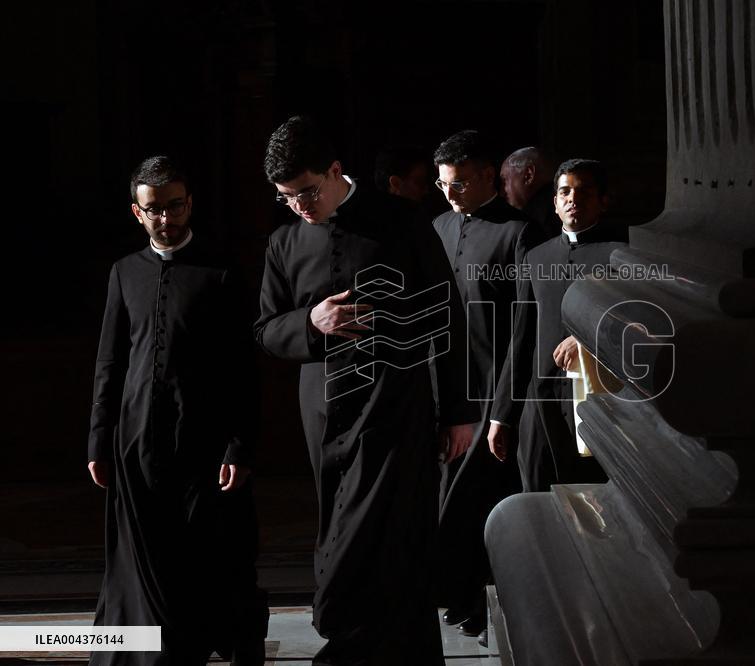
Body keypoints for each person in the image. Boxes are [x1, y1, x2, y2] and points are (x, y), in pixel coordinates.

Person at [255, 116, 478, 665]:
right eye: (286, 198)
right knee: (341, 525)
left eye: (307, 191)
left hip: (395, 405)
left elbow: (447, 315)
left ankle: (355, 646)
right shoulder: (284, 241)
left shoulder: (400, 221)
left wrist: (458, 412)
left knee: (391, 536)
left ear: (335, 171)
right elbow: (265, 330)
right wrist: (313, 320)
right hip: (323, 415)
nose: (300, 206)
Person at [88, 156, 268, 665]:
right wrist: (98, 439)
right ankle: (147, 650)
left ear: (189, 204)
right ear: (137, 212)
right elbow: (110, 360)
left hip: (205, 437)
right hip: (136, 435)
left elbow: (241, 368)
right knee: (144, 551)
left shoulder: (223, 269)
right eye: (154, 209)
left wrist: (239, 443)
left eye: (175, 206)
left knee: (206, 550)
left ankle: (192, 645)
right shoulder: (124, 272)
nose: (166, 218)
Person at [430, 130, 542, 640]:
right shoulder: (437, 226)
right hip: (442, 392)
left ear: (484, 176)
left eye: (457, 184)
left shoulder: (519, 232)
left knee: (477, 503)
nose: (449, 194)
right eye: (441, 184)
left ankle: (478, 598)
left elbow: (525, 327)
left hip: (492, 393)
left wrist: (503, 409)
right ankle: (459, 594)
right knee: (444, 499)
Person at [489, 159, 629, 491]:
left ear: (603, 200)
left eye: (584, 192)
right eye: (564, 191)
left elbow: (637, 322)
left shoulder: (622, 254)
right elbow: (521, 338)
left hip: (601, 404)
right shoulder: (535, 257)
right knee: (539, 499)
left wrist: (588, 340)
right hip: (541, 406)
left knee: (597, 504)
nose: (573, 199)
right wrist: (502, 415)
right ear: (554, 202)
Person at [499, 146, 561, 238]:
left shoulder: (532, 223)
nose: (501, 193)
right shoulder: (562, 207)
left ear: (528, 175)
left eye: (505, 181)